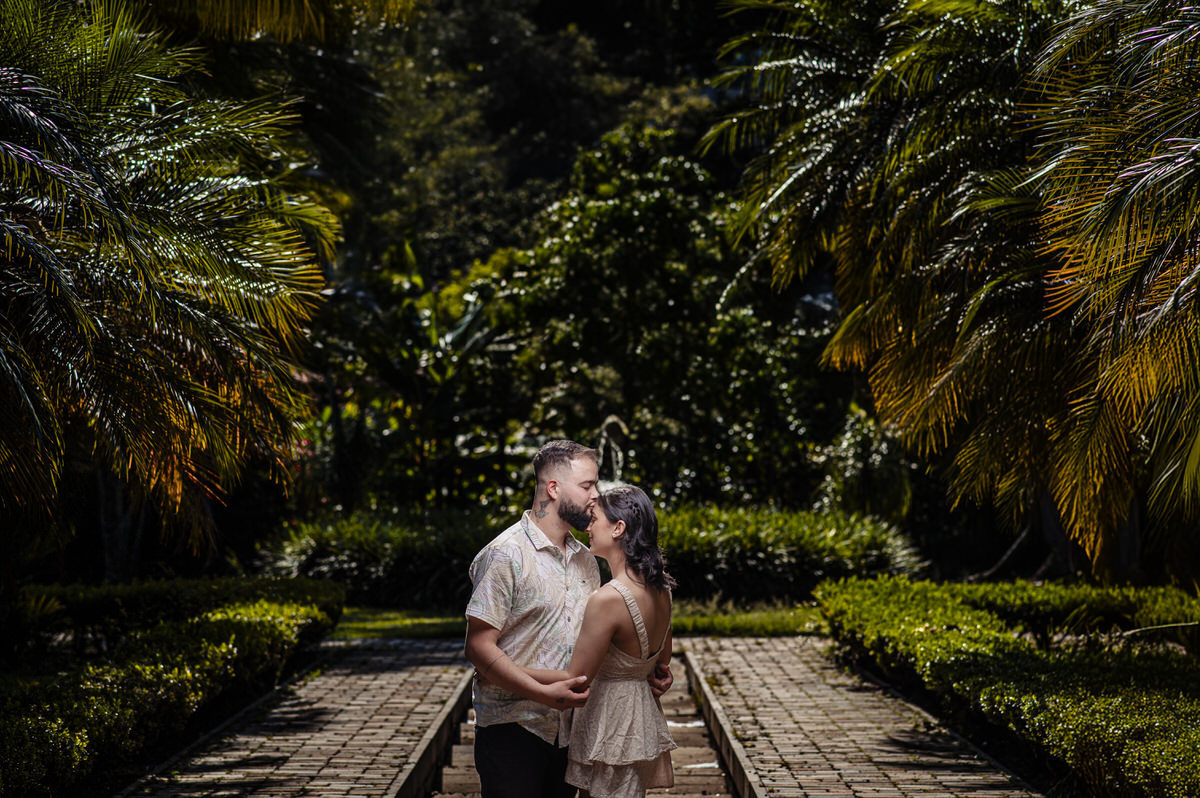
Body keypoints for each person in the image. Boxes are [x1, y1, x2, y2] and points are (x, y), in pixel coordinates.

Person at [466, 440, 658, 798]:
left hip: (571, 733)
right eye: (587, 485)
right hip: (513, 728)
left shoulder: (587, 559)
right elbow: (478, 646)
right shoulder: (504, 555)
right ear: (553, 488)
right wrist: (541, 692)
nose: (595, 495)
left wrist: (642, 673)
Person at [524, 484, 677, 798]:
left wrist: (501, 670)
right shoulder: (663, 591)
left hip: (612, 726)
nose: (588, 527)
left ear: (618, 528)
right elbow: (661, 664)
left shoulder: (608, 599)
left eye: (595, 519)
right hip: (642, 719)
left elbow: (575, 678)